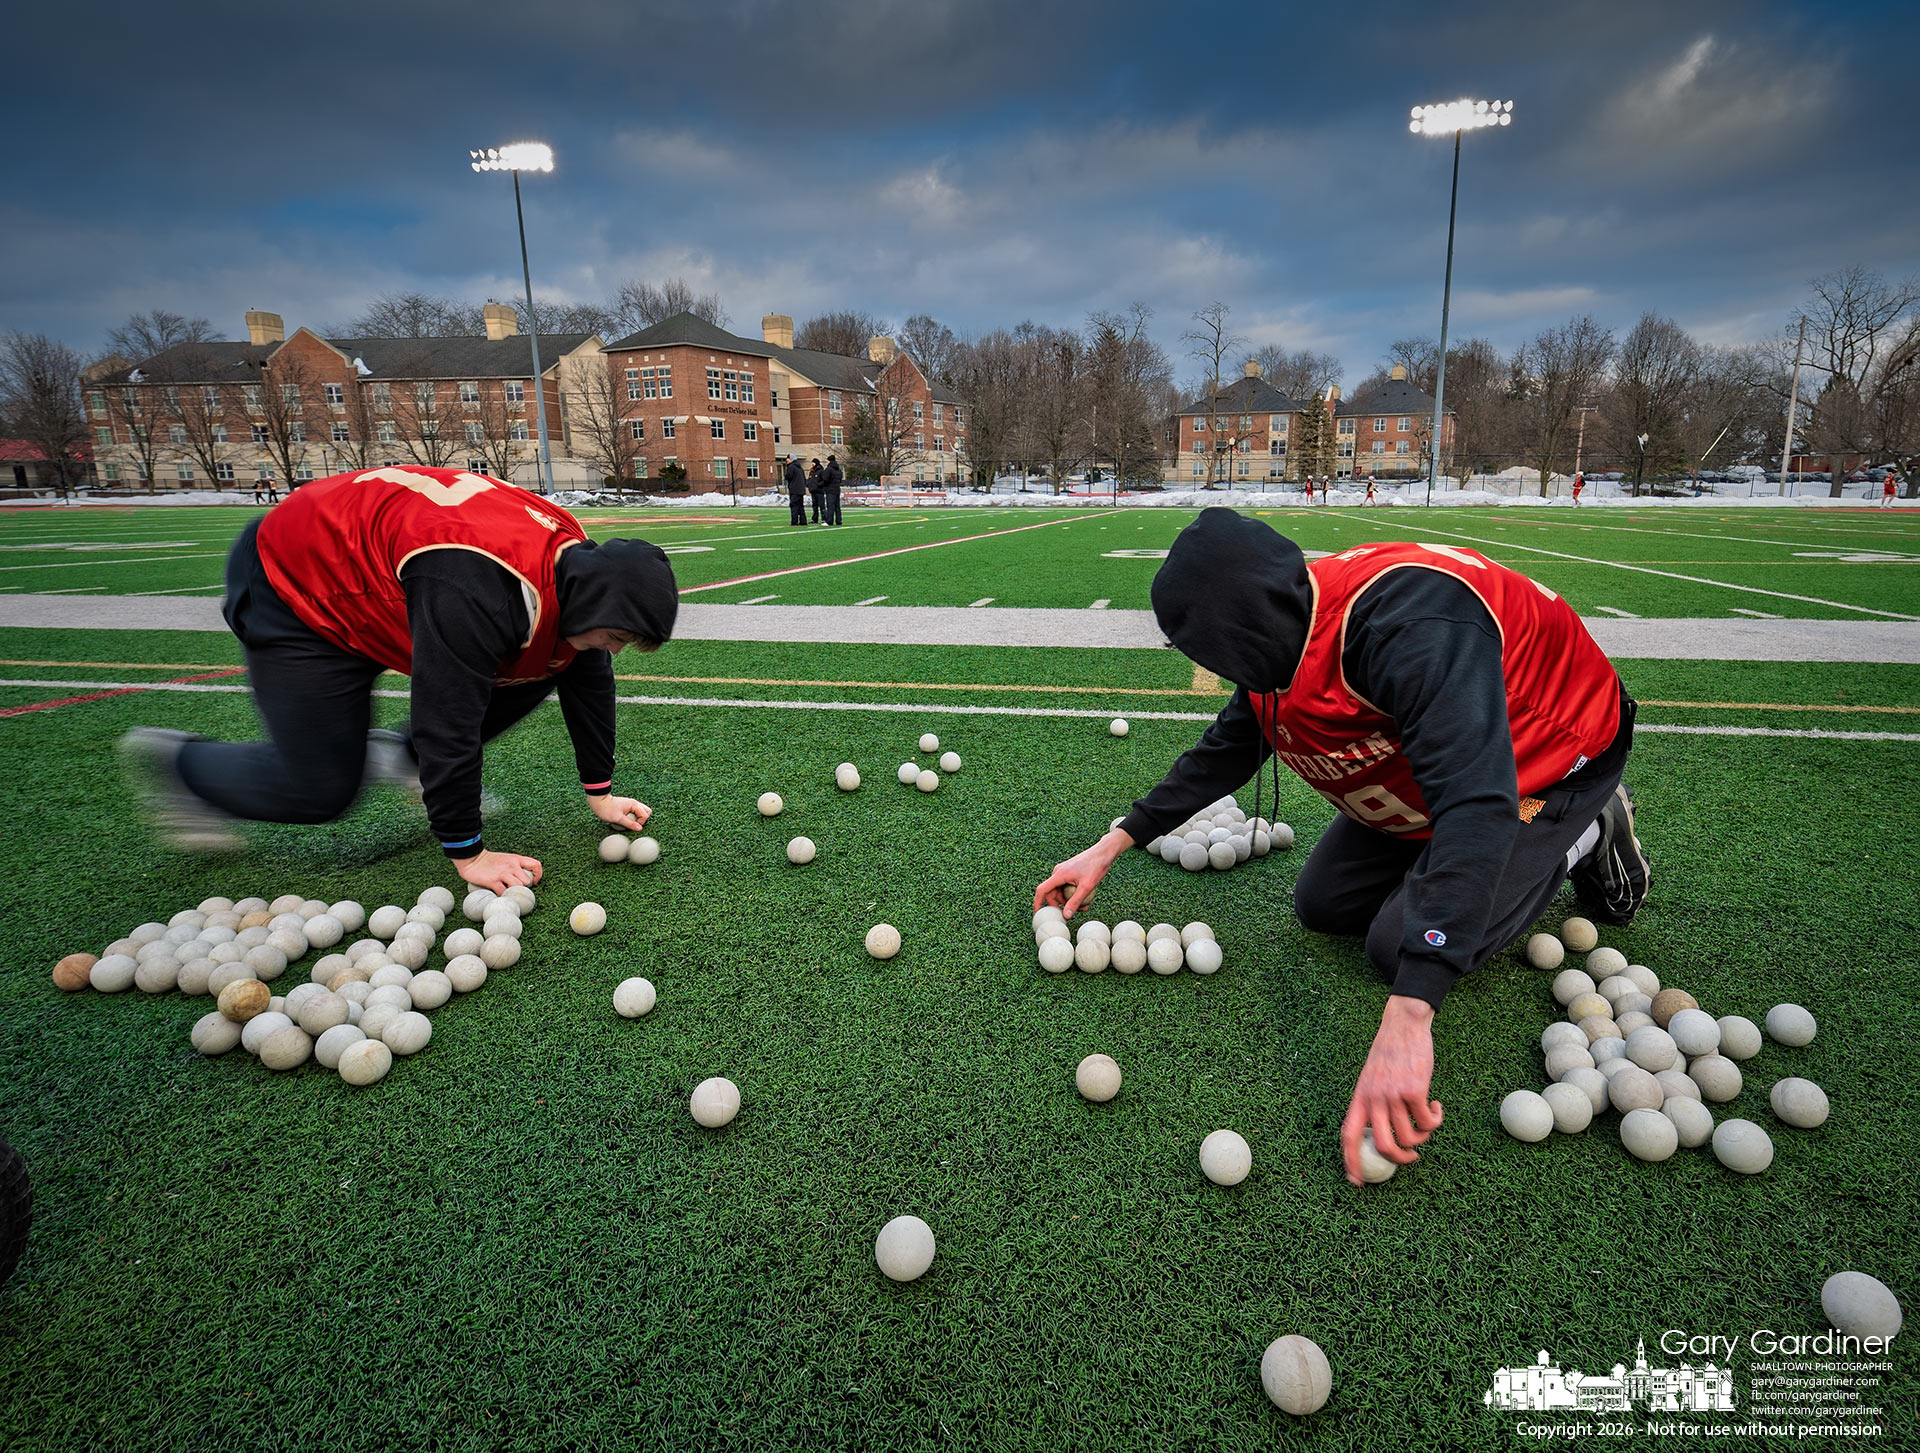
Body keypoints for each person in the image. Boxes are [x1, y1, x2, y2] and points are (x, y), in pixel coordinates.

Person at [1033, 509, 1647, 1188]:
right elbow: (1234, 743)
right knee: (1322, 904)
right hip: (1432, 763)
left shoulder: (1407, 628)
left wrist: (1413, 1011)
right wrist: (1114, 841)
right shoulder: (1285, 626)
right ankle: (1474, 861)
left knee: (1399, 950)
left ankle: (1586, 829)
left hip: (1546, 760)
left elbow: (1476, 804)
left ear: (1241, 631)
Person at [120, 464, 679, 894]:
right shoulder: (479, 591)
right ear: (593, 602)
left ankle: (402, 759)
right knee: (318, 790)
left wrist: (599, 792)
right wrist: (469, 854)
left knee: (549, 658)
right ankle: (183, 765)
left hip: (386, 579)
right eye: (618, 636)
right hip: (299, 587)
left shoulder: (577, 566)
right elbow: (447, 718)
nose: (616, 650)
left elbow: (586, 671)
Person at [784, 455, 807, 526]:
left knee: (794, 506)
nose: (787, 460)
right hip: (800, 490)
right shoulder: (800, 468)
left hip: (794, 489)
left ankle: (794, 521)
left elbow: (789, 476)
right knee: (800, 506)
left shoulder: (791, 467)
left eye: (788, 458)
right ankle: (803, 521)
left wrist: (786, 476)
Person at [823, 453, 845, 525]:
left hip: (830, 489)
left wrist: (824, 485)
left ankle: (829, 521)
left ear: (829, 461)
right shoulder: (838, 470)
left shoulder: (829, 469)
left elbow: (825, 479)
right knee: (837, 506)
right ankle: (839, 520)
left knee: (830, 506)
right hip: (837, 489)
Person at [807, 459, 826, 524]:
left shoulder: (821, 471)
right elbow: (809, 479)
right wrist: (809, 485)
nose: (812, 464)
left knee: (821, 505)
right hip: (813, 491)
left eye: (813, 463)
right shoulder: (812, 471)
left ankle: (824, 518)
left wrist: (818, 485)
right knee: (814, 506)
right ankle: (814, 519)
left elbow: (824, 480)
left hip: (819, 491)